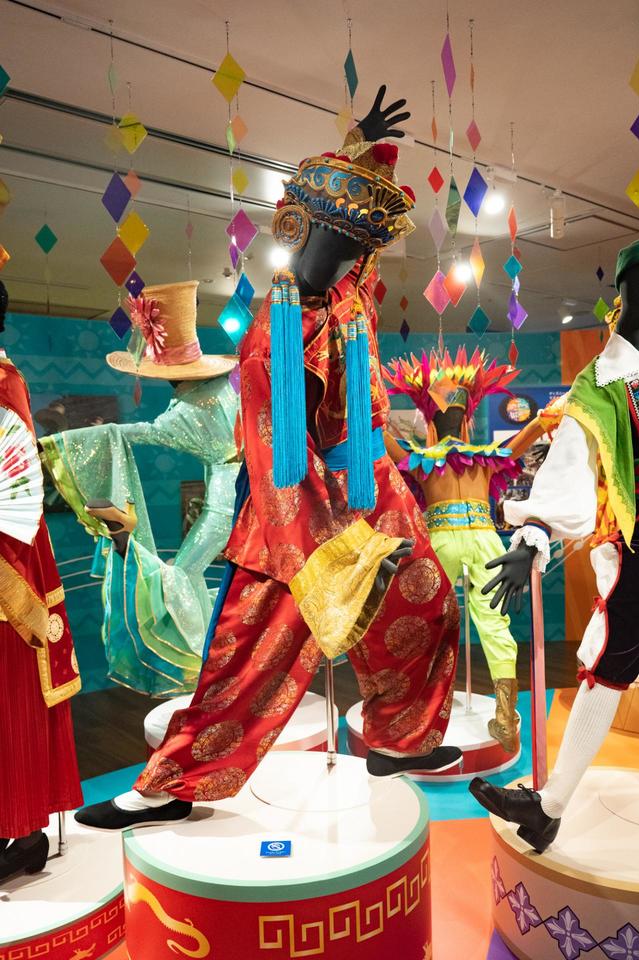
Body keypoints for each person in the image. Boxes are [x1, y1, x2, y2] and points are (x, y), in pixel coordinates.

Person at [74, 85, 462, 832]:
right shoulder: (276, 333)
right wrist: (336, 552)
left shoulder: (350, 300)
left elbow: (354, 238)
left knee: (431, 604)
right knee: (250, 658)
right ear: (298, 230)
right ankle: (167, 786)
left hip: (371, 487)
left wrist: (359, 149)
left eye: (354, 247)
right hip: (298, 508)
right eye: (334, 242)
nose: (346, 256)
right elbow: (278, 451)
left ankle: (395, 739)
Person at [470, 238, 639, 853]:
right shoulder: (605, 383)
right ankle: (549, 807)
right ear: (625, 295)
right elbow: (573, 458)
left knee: (610, 665)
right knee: (607, 666)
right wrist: (536, 531)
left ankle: (547, 808)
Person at [40, 281, 239, 696]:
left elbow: (145, 432)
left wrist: (64, 443)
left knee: (181, 574)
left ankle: (197, 662)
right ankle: (212, 660)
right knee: (192, 575)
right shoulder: (219, 389)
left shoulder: (192, 407)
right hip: (233, 496)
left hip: (225, 506)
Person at [383, 348, 559, 753]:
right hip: (482, 537)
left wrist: (370, 417)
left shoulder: (422, 459)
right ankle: (505, 716)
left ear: (431, 421)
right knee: (493, 622)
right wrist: (544, 418)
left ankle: (420, 712)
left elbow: (386, 444)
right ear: (466, 419)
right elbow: (522, 440)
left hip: (441, 537)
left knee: (429, 621)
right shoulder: (485, 459)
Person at [0, 280, 83, 880]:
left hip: (8, 550)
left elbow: (15, 486)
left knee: (12, 688)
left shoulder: (5, 383)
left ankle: (23, 829)